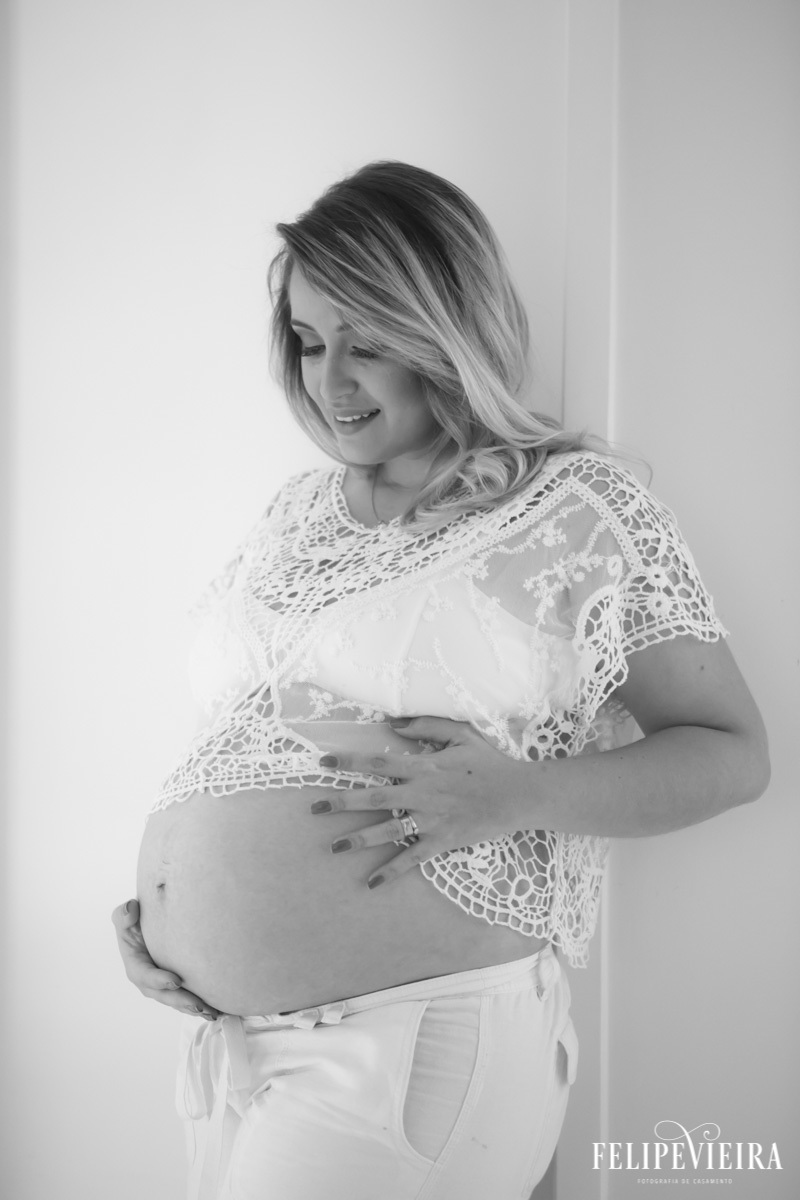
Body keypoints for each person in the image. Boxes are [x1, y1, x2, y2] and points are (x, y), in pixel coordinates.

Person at [112, 160, 770, 1200]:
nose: (330, 381)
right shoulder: (296, 512)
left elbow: (732, 756)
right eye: (310, 340)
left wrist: (516, 795)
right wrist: (161, 905)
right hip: (235, 1049)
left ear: (444, 326)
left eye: (366, 344)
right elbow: (257, 739)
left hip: (411, 1042)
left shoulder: (575, 504)